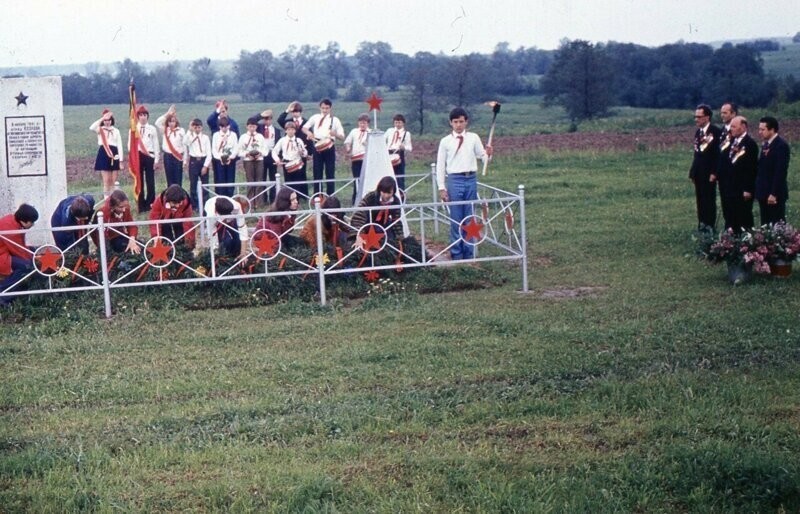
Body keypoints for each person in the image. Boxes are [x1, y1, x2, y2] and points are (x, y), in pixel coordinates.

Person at [436, 107, 493, 260]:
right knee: (456, 218)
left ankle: (469, 252)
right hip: (455, 180)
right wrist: (441, 187)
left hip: (471, 179)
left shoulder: (473, 138)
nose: (459, 125)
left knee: (470, 217)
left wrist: (488, 154)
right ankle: (456, 253)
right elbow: (441, 165)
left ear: (466, 122)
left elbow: (483, 157)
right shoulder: (445, 142)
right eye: (455, 122)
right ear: (451, 123)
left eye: (461, 121)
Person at [716, 116, 758, 233]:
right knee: (731, 215)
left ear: (743, 127)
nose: (731, 129)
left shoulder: (750, 144)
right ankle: (733, 242)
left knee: (743, 216)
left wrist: (748, 189)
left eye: (734, 127)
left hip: (742, 188)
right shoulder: (732, 142)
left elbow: (751, 169)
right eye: (731, 127)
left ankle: (747, 241)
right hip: (730, 186)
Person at [688, 104, 721, 231]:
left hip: (709, 173)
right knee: (700, 200)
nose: (696, 119)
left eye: (699, 117)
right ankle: (702, 224)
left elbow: (718, 155)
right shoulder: (698, 132)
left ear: (707, 117)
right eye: (695, 117)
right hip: (699, 172)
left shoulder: (716, 132)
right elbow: (697, 154)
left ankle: (709, 225)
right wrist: (693, 171)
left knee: (709, 200)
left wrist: (714, 172)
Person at [302, 98, 345, 195]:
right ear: (319, 108)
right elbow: (304, 128)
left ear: (330, 108)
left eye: (327, 108)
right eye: (323, 108)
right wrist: (309, 132)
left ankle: (330, 196)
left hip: (329, 147)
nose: (325, 110)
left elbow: (342, 137)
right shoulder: (315, 117)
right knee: (317, 172)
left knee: (330, 172)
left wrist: (335, 134)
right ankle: (318, 196)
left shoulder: (335, 120)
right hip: (317, 147)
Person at [350, 176, 404, 250]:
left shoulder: (396, 201)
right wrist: (359, 235)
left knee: (392, 244)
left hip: (385, 226)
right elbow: (359, 216)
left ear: (393, 192)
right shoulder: (370, 197)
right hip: (368, 225)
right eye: (384, 192)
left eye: (389, 193)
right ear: (379, 190)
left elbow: (396, 221)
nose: (386, 195)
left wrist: (400, 238)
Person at [0, 204, 38, 306]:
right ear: (24, 221)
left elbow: (20, 246)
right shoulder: (12, 231)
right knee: (25, 266)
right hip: (2, 255)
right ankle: (3, 294)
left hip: (4, 251)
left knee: (32, 252)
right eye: (32, 222)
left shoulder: (12, 219)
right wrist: (35, 260)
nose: (33, 225)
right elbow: (19, 251)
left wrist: (33, 253)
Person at [756, 116, 791, 225]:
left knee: (777, 225)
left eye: (763, 129)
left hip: (774, 194)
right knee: (765, 225)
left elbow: (780, 171)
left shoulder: (781, 146)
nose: (759, 132)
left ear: (772, 129)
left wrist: (773, 193)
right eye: (759, 129)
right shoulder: (765, 145)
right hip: (764, 192)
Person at [130, 105, 160, 213]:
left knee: (150, 181)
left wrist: (156, 160)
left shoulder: (152, 129)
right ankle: (141, 204)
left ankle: (150, 203)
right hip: (138, 156)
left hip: (149, 155)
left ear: (147, 116)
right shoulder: (134, 129)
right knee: (139, 181)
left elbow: (156, 144)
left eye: (145, 115)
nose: (143, 117)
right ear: (137, 117)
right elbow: (130, 144)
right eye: (141, 115)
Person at [91, 190, 141, 254]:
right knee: (124, 248)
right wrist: (104, 251)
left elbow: (131, 226)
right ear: (113, 206)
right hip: (109, 240)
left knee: (140, 246)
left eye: (125, 206)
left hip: (121, 236)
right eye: (121, 207)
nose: (124, 209)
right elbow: (99, 236)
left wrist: (132, 239)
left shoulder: (126, 208)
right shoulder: (103, 213)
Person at [89, 109, 123, 199]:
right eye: (105, 120)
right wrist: (102, 118)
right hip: (104, 153)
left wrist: (121, 160)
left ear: (112, 120)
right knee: (106, 180)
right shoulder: (100, 130)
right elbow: (91, 127)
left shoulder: (116, 131)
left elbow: (119, 145)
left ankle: (113, 198)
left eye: (109, 120)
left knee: (113, 180)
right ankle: (106, 199)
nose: (107, 122)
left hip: (114, 154)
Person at [148, 185, 196, 249]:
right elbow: (154, 220)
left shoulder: (186, 203)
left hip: (180, 220)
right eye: (174, 203)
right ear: (168, 200)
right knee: (166, 239)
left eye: (179, 202)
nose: (178, 205)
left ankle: (180, 249)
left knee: (181, 238)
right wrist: (156, 237)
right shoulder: (159, 201)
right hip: (164, 220)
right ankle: (168, 249)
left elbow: (188, 224)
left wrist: (189, 241)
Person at [271, 121, 309, 198]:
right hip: (287, 164)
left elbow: (305, 154)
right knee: (288, 183)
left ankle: (297, 200)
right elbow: (274, 151)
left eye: (292, 129)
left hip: (297, 164)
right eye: (288, 129)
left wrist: (302, 152)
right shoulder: (282, 140)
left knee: (297, 183)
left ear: (295, 130)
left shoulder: (299, 140)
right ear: (285, 130)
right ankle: (289, 200)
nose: (290, 131)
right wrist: (277, 160)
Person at [237, 117, 267, 206]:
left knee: (259, 181)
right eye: (250, 126)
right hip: (248, 161)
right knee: (250, 181)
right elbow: (239, 151)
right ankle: (250, 201)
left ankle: (259, 202)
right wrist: (246, 154)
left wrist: (260, 154)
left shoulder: (260, 137)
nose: (252, 128)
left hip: (259, 160)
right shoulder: (243, 137)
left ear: (256, 127)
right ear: (247, 127)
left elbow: (265, 149)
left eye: (254, 126)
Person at [183, 118, 212, 211]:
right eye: (195, 127)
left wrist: (205, 166)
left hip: (203, 160)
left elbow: (209, 153)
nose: (197, 129)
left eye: (199, 127)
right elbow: (185, 142)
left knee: (205, 184)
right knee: (193, 184)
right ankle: (194, 205)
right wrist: (189, 130)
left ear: (202, 128)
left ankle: (205, 204)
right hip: (193, 161)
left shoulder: (205, 138)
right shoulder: (190, 137)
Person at [155, 105, 186, 188]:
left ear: (176, 122)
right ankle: (171, 197)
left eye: (173, 121)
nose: (171, 123)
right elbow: (157, 122)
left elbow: (184, 146)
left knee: (178, 179)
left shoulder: (181, 131)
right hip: (168, 157)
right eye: (170, 121)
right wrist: (167, 113)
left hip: (178, 157)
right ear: (167, 122)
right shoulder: (165, 130)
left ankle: (179, 198)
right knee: (169, 179)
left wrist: (185, 160)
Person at [343, 113, 370, 205]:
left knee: (366, 180)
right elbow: (347, 142)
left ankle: (367, 201)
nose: (362, 125)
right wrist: (348, 149)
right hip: (356, 160)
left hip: (366, 160)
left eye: (364, 123)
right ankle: (355, 201)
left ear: (368, 124)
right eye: (361, 123)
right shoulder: (354, 131)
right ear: (358, 123)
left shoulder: (370, 133)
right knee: (357, 181)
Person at [257, 109, 282, 205]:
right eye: (265, 119)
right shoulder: (259, 128)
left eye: (268, 119)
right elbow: (253, 120)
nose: (266, 121)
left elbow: (278, 144)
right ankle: (263, 198)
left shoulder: (276, 131)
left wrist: (278, 157)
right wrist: (261, 114)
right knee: (262, 177)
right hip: (262, 154)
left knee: (273, 177)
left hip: (272, 154)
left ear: (271, 119)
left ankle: (273, 199)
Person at [210, 117, 239, 198]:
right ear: (219, 127)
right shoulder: (216, 135)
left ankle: (230, 198)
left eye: (226, 126)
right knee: (221, 181)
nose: (224, 128)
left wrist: (231, 157)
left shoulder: (233, 135)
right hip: (220, 161)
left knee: (230, 180)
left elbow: (236, 148)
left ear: (229, 126)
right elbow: (214, 149)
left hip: (230, 161)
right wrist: (220, 158)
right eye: (222, 127)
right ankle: (221, 199)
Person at [384, 113, 413, 191]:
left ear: (403, 123)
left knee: (399, 177)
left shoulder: (406, 133)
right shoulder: (389, 131)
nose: (397, 124)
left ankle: (401, 195)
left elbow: (410, 147)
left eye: (399, 122)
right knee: (389, 176)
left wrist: (404, 147)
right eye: (396, 122)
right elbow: (382, 140)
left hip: (399, 154)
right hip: (389, 154)